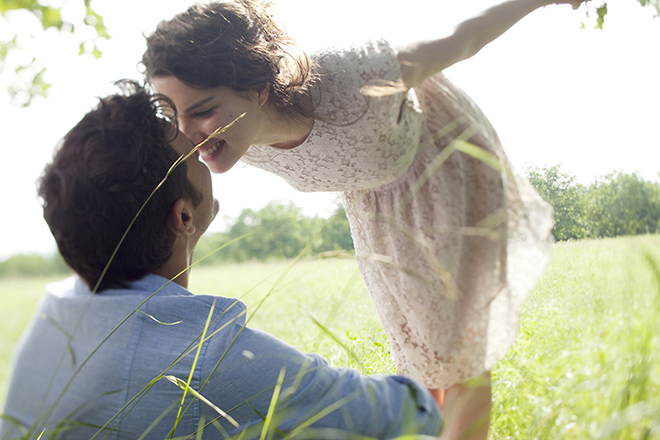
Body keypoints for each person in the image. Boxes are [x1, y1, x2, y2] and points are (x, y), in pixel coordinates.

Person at [142, 1, 586, 438]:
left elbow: (462, 36)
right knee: (416, 344)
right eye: (171, 115)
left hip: (444, 170)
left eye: (202, 111)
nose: (186, 132)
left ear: (258, 88)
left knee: (456, 347)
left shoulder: (354, 78)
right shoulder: (221, 138)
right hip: (377, 205)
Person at [0, 83, 442, 440]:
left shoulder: (55, 310)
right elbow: (407, 414)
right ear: (184, 216)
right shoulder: (204, 360)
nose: (202, 144)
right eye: (190, 152)